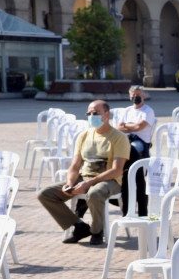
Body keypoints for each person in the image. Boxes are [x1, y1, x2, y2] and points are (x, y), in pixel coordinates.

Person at [37, 99, 130, 246]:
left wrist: (89, 183)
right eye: (89, 113)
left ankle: (97, 232)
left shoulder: (119, 138)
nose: (91, 116)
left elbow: (116, 170)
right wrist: (69, 183)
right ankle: (79, 226)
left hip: (110, 181)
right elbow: (75, 165)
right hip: (84, 178)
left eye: (96, 113)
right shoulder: (84, 136)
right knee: (45, 194)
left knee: (94, 193)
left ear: (107, 114)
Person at [116, 85, 156, 217]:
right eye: (133, 95)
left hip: (141, 143)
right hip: (126, 140)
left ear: (143, 96)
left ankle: (141, 210)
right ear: (129, 97)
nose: (135, 97)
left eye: (138, 95)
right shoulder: (127, 110)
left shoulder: (148, 111)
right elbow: (119, 127)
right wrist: (131, 127)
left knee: (131, 150)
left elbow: (140, 127)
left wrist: (127, 126)